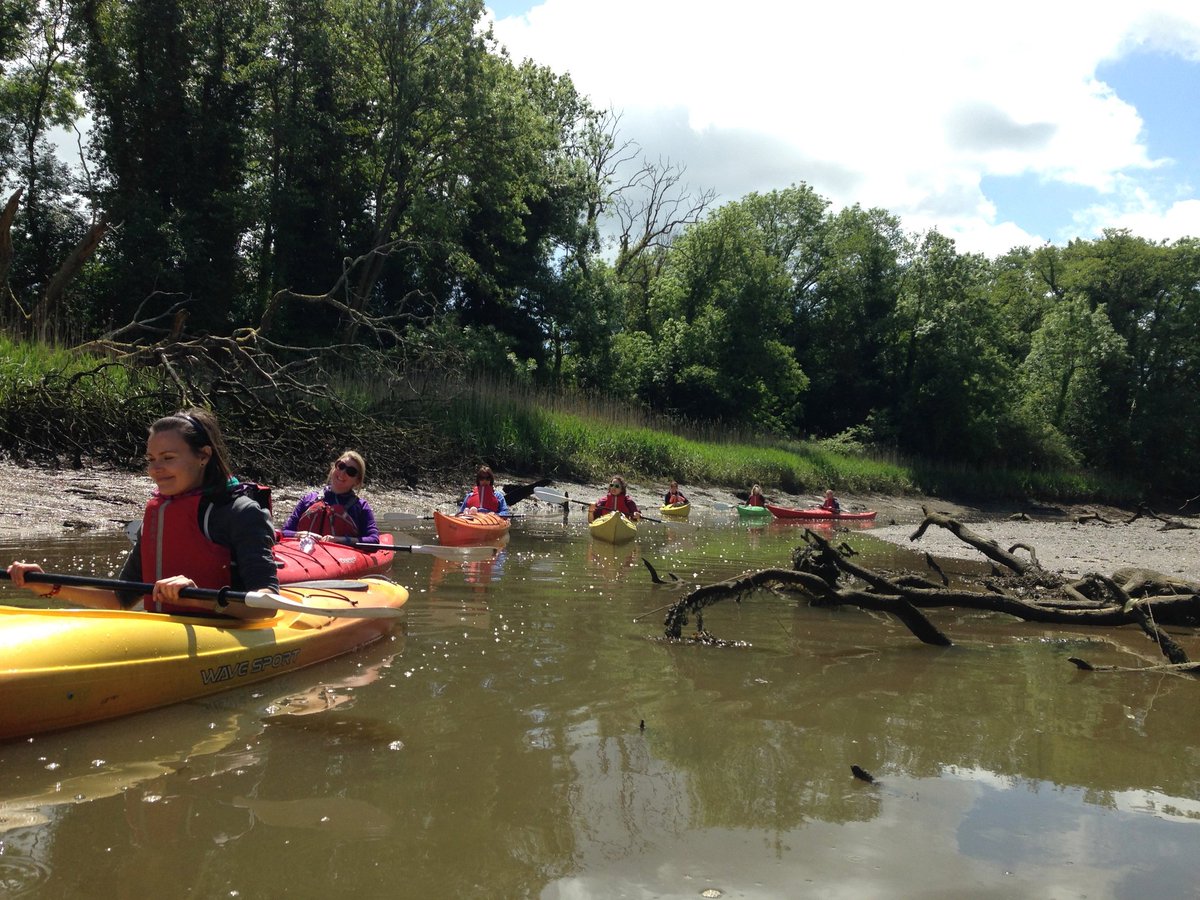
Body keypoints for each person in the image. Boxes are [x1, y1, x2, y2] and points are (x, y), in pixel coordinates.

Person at [7, 408, 278, 619]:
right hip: (163, 633)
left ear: (204, 456)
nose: (155, 469)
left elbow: (267, 605)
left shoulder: (241, 512)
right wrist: (47, 585)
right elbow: (119, 599)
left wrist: (197, 598)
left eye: (168, 458)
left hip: (226, 634)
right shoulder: (157, 516)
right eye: (151, 459)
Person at [281, 451, 380, 544]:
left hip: (341, 556)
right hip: (304, 551)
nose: (342, 473)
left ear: (357, 481)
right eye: (341, 466)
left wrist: (340, 540)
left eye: (351, 471)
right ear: (334, 467)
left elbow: (373, 539)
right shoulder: (308, 499)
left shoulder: (361, 507)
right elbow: (284, 532)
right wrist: (301, 534)